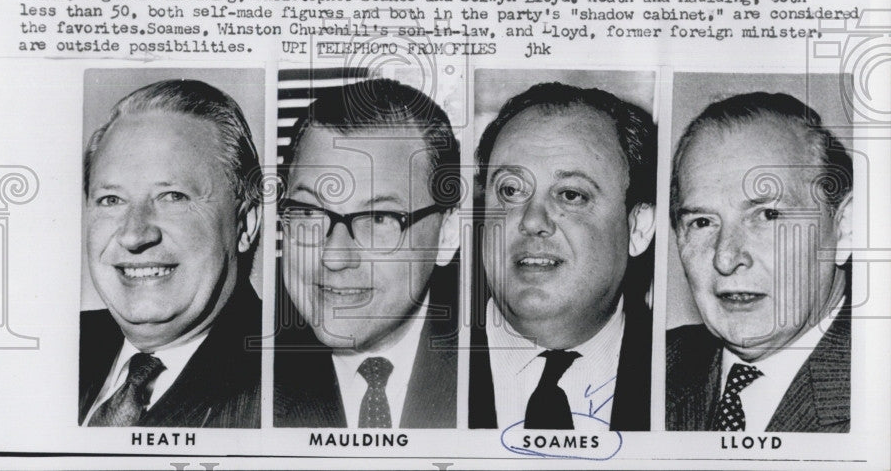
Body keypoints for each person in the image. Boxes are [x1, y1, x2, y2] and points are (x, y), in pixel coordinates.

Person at [469, 81, 657, 431]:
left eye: (570, 195)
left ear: (639, 226)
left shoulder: (681, 375)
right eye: (510, 190)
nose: (532, 221)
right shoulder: (417, 362)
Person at [273, 78, 460, 428]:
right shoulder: (239, 378)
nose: (335, 256)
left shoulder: (498, 373)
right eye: (310, 212)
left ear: (447, 234)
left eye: (378, 218)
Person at [79, 79, 263, 428]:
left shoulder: (295, 380)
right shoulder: (53, 350)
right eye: (111, 200)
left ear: (246, 222)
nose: (135, 235)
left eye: (173, 197)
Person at [667, 91, 852, 432]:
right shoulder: (648, 369)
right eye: (702, 222)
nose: (726, 257)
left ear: (844, 229)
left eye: (767, 215)